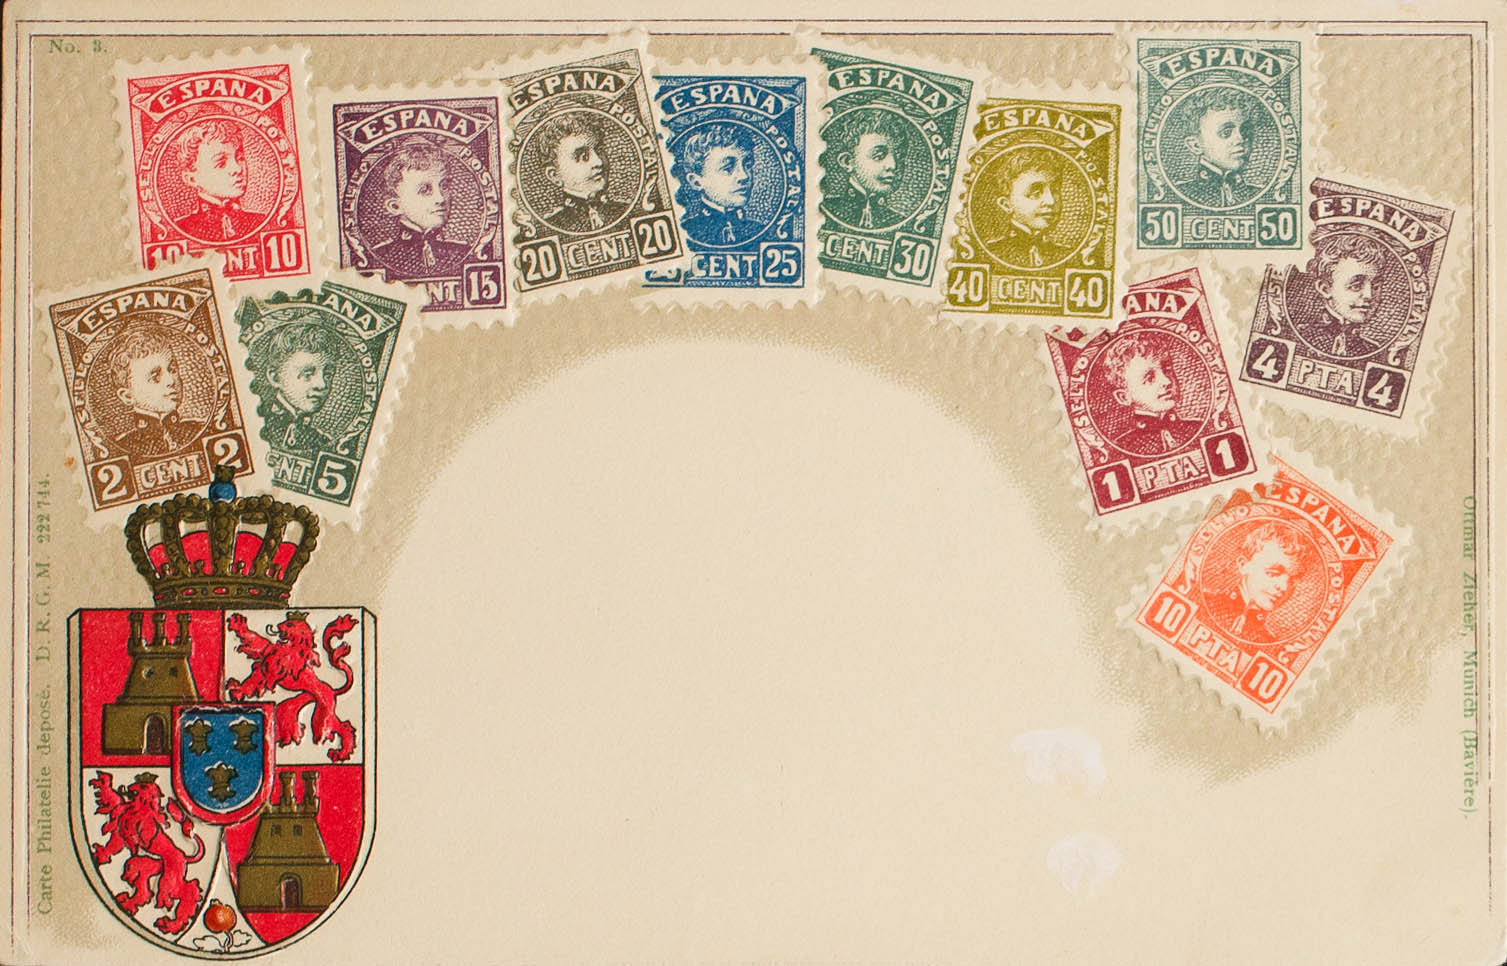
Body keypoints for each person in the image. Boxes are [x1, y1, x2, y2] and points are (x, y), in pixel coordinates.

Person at [369, 136, 471, 278]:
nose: (441, 198)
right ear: (395, 206)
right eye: (424, 190)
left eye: (444, 186)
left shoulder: (463, 253)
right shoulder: (378, 258)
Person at [107, 327, 204, 457]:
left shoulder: (201, 431)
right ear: (128, 396)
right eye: (155, 376)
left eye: (172, 370)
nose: (171, 380)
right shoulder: (121, 449)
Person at [1100, 332, 1202, 455]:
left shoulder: (1200, 430)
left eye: (1167, 370)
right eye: (1149, 378)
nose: (1167, 381)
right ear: (1124, 397)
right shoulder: (1122, 449)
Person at [1204, 522, 1305, 644]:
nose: (1284, 587)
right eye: (1273, 573)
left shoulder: (1268, 644)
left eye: (1293, 581)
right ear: (1243, 565)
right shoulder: (1202, 604)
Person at [250, 319, 341, 453]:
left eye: (328, 375)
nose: (322, 385)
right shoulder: (255, 422)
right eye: (307, 374)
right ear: (275, 377)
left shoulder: (320, 440)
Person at [1295, 234, 1387, 357]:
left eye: (1376, 287)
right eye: (1356, 286)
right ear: (1325, 289)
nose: (1369, 295)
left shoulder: (1372, 352)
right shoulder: (1299, 337)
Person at [174, 120, 266, 242]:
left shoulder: (261, 223)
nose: (238, 169)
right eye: (221, 163)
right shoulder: (181, 229)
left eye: (240, 158)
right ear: (191, 179)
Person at [537, 113, 628, 233]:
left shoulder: (627, 213)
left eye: (600, 151)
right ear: (554, 175)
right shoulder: (548, 230)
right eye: (583, 156)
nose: (599, 162)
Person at [822, 110, 908, 230]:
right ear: (847, 162)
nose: (893, 165)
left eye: (900, 156)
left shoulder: (901, 223)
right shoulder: (823, 212)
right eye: (878, 156)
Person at [675, 124, 760, 246]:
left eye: (748, 165)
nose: (744, 176)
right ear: (696, 182)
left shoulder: (760, 231)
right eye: (727, 168)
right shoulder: (684, 233)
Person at [1175, 88, 1259, 208]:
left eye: (1245, 131)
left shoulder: (1259, 195)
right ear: (1195, 145)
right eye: (1226, 132)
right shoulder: (1179, 195)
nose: (1240, 139)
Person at [984, 148, 1067, 268]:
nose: (1051, 201)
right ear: (1006, 205)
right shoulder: (990, 253)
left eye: (1055, 190)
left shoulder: (1066, 255)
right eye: (1035, 193)